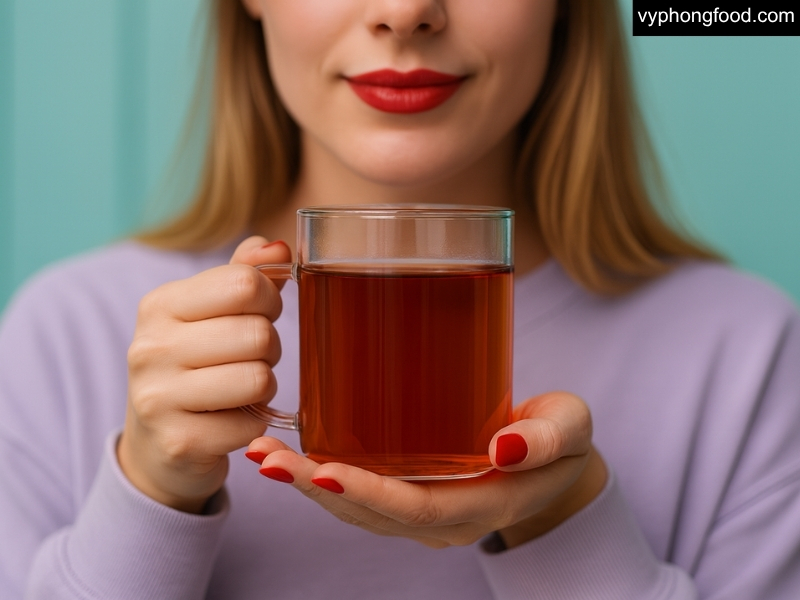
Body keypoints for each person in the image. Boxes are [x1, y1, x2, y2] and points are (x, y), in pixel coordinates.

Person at [1, 0, 799, 598]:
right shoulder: (64, 330)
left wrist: (565, 521)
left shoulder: (749, 351)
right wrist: (150, 491)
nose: (406, 11)